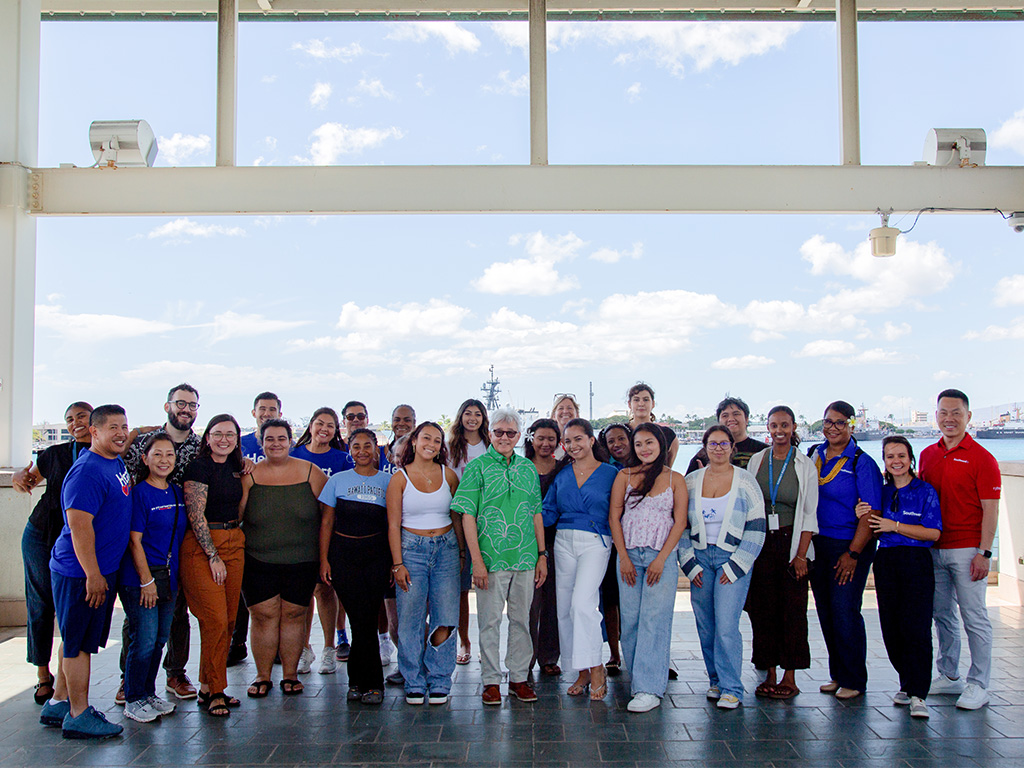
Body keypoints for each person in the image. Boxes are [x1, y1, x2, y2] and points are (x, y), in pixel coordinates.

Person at [41, 404, 131, 739]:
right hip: (80, 573)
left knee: (75, 638)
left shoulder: (113, 460)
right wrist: (93, 575)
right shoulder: (87, 471)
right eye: (112, 427)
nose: (121, 433)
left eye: (124, 426)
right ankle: (79, 713)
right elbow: (79, 528)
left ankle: (59, 702)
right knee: (79, 645)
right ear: (93, 431)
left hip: (99, 570)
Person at [453, 408, 547, 706]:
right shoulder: (477, 468)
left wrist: (542, 555)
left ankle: (519, 678)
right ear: (490, 434)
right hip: (490, 559)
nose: (504, 437)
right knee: (489, 622)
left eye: (511, 433)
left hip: (525, 557)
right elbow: (467, 515)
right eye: (498, 432)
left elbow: (536, 514)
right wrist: (476, 561)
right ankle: (491, 681)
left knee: (521, 621)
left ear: (519, 436)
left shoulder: (528, 469)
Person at [121, 383, 203, 702]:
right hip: (145, 536)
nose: (186, 409)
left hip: (181, 539)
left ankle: (175, 672)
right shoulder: (143, 441)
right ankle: (130, 681)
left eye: (192, 405)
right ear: (167, 406)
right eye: (180, 403)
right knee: (139, 621)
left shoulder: (200, 447)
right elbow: (123, 477)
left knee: (176, 612)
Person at [920, 389, 1001, 710]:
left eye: (956, 413)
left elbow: (991, 509)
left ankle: (979, 684)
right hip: (934, 548)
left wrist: (985, 552)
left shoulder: (983, 458)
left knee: (974, 617)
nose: (949, 418)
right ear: (936, 415)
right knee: (942, 615)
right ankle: (949, 675)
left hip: (968, 550)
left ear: (968, 416)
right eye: (943, 412)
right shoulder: (927, 455)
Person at [678, 426, 766, 710]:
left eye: (723, 443)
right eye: (712, 443)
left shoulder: (746, 482)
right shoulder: (691, 481)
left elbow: (757, 527)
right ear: (704, 447)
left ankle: (732, 688)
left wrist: (738, 564)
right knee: (706, 625)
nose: (718, 448)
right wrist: (689, 563)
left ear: (732, 447)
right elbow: (680, 525)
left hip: (732, 560)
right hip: (700, 560)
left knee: (727, 626)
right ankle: (715, 680)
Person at [240, 419, 327, 699]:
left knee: (293, 616)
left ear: (291, 441)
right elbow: (236, 516)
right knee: (264, 617)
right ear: (261, 442)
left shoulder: (310, 472)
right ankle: (262, 675)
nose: (276, 444)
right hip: (258, 561)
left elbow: (329, 513)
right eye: (269, 439)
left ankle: (290, 674)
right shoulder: (249, 475)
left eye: (281, 438)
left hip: (302, 561)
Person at [13, 401, 92, 706]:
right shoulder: (55, 454)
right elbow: (26, 480)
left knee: (70, 610)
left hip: (77, 542)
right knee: (40, 604)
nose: (75, 423)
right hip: (41, 535)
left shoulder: (107, 453)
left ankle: (66, 680)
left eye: (81, 417)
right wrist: (18, 477)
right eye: (69, 419)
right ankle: (43, 676)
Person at [859, 436, 941, 719]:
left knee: (916, 627)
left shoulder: (925, 491)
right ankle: (906, 682)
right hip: (887, 561)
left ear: (910, 458)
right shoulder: (881, 492)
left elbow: (933, 533)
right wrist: (862, 513)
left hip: (916, 561)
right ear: (884, 461)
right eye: (890, 456)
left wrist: (896, 526)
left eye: (901, 455)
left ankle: (919, 693)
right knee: (891, 628)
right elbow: (872, 524)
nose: (896, 461)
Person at [609, 424, 688, 712]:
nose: (644, 448)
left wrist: (661, 558)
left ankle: (650, 689)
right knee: (630, 621)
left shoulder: (674, 479)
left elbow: (679, 522)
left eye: (650, 442)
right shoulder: (624, 476)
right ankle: (637, 680)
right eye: (639, 443)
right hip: (629, 556)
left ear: (662, 445)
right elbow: (614, 518)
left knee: (655, 621)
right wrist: (624, 557)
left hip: (660, 558)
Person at [807, 400, 882, 700]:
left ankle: (854, 679)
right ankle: (838, 674)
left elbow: (872, 512)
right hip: (818, 544)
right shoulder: (815, 455)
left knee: (845, 610)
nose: (833, 428)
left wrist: (852, 554)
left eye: (840, 422)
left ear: (851, 425)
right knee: (825, 611)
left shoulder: (861, 462)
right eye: (828, 422)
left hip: (849, 546)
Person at [744, 406, 819, 700]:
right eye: (774, 425)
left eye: (784, 425)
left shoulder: (804, 464)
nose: (779, 430)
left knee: (793, 611)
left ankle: (790, 675)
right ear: (768, 427)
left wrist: (801, 556)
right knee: (763, 611)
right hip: (762, 542)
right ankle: (770, 673)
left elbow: (810, 514)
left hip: (791, 542)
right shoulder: (757, 461)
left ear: (794, 427)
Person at [542, 418, 618, 700]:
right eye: (568, 441)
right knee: (565, 609)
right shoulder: (562, 475)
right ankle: (581, 670)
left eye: (578, 439)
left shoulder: (611, 473)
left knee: (583, 603)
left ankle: (596, 666)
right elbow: (547, 511)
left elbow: (621, 509)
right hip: (563, 540)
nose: (573, 445)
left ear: (590, 440)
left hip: (596, 541)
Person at [387, 422, 461, 705]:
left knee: (445, 615)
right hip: (411, 551)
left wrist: (463, 553)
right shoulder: (400, 478)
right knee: (410, 618)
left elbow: (457, 516)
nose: (431, 443)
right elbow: (393, 524)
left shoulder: (449, 475)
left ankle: (440, 679)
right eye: (426, 437)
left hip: (446, 550)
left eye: (437, 439)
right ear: (414, 441)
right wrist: (397, 564)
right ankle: (414, 680)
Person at [319, 429, 393, 705]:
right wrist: (324, 558)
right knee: (358, 620)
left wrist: (393, 562)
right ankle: (367, 682)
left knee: (367, 619)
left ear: (377, 449)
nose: (362, 451)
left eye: (367, 446)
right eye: (356, 446)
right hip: (343, 556)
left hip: (376, 556)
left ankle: (364, 682)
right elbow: (327, 522)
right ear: (349, 450)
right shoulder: (337, 481)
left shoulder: (389, 481)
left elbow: (392, 525)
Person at [180, 414, 246, 717]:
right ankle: (218, 690)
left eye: (230, 435)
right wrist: (212, 556)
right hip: (204, 547)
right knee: (215, 620)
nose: (224, 440)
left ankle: (207, 687)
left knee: (229, 621)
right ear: (207, 437)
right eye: (218, 434)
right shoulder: (199, 467)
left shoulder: (236, 467)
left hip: (235, 541)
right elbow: (196, 515)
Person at [117, 432, 186, 723]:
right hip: (141, 580)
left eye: (169, 454)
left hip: (168, 579)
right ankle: (133, 699)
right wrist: (146, 581)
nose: (164, 460)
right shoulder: (139, 493)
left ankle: (148, 693)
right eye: (157, 454)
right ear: (145, 459)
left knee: (158, 640)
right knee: (142, 641)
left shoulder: (175, 492)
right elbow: (135, 541)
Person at [291, 407, 354, 674]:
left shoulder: (342, 458)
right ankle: (304, 649)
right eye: (319, 423)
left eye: (330, 425)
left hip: (328, 532)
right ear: (311, 426)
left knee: (325, 590)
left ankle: (330, 647)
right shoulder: (294, 454)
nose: (324, 429)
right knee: (301, 594)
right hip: (298, 533)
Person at [447, 398, 491, 666]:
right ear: (460, 416)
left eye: (477, 414)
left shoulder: (490, 446)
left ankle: (487, 644)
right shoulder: (450, 446)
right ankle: (463, 639)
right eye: (467, 413)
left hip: (485, 519)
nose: (472, 418)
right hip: (454, 517)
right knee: (461, 589)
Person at [526, 418, 562, 677]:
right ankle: (524, 658)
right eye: (541, 438)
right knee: (528, 604)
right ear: (531, 439)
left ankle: (549, 656)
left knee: (553, 603)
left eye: (551, 439)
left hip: (558, 542)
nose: (546, 444)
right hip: (526, 545)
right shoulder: (521, 468)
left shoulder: (565, 469)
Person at [596, 424, 633, 674]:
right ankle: (614, 653)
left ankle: (641, 654)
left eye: (621, 439)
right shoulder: (605, 470)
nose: (617, 444)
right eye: (611, 441)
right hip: (610, 540)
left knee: (637, 601)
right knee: (610, 599)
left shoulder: (645, 465)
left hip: (638, 541)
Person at [685, 397, 767, 474]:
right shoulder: (706, 453)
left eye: (736, 414)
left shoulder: (763, 451)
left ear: (746, 419)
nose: (731, 419)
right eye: (725, 415)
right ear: (719, 422)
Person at [625, 383, 680, 467]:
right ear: (629, 404)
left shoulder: (668, 435)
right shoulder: (621, 433)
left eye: (646, 399)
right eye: (636, 400)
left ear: (653, 404)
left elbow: (668, 469)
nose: (641, 404)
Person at [240, 392, 281, 463]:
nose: (267, 414)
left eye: (272, 409)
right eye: (262, 409)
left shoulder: (290, 447)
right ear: (254, 413)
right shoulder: (240, 444)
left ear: (279, 415)